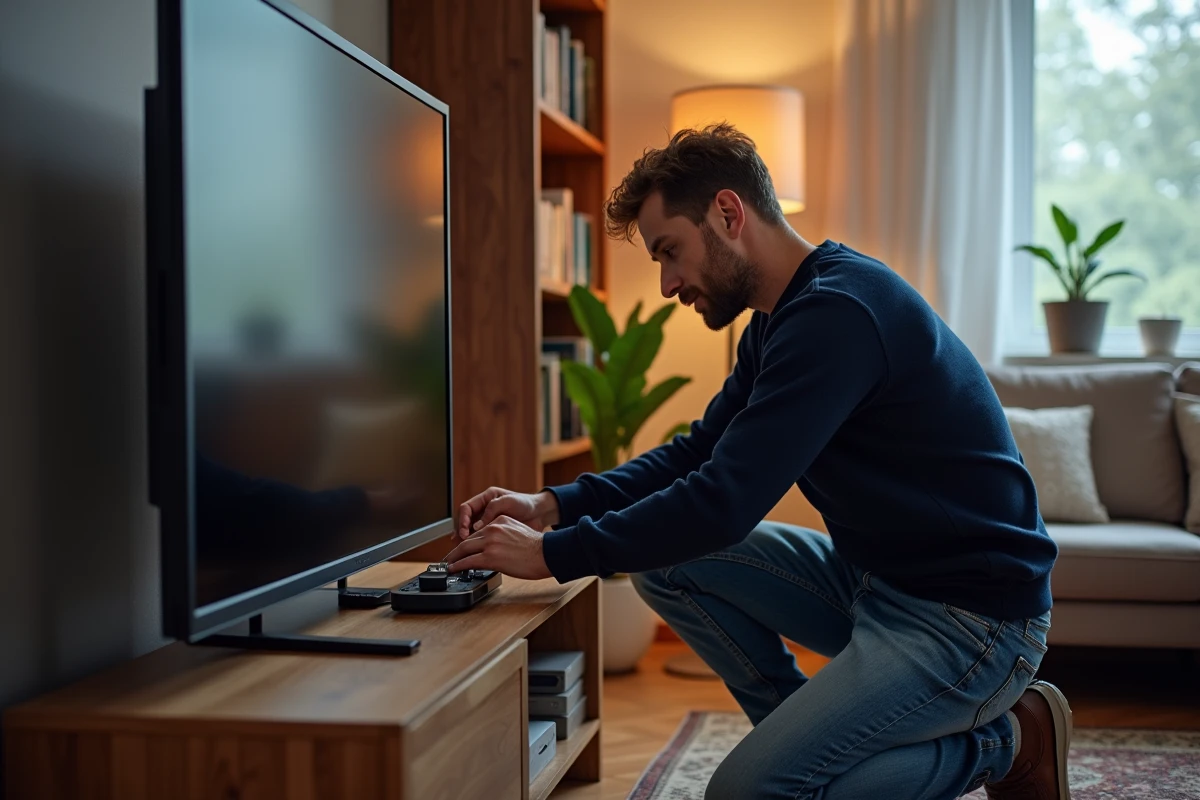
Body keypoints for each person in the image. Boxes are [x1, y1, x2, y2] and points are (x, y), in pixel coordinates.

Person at [445, 123, 1071, 800]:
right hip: (878, 586)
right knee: (670, 564)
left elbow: (725, 500)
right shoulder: (780, 317)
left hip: (971, 621)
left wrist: (552, 553)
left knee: (742, 794)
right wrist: (556, 503)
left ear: (727, 213)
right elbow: (700, 452)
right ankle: (793, 742)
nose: (666, 284)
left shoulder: (839, 313)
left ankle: (1012, 741)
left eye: (670, 251)